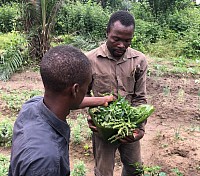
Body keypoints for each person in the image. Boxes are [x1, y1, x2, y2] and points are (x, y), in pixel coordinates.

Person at [8, 45, 113, 176]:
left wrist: (103, 100)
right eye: (86, 88)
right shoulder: (47, 161)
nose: (86, 92)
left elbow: (69, 100)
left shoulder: (32, 105)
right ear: (75, 90)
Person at [86, 10, 148, 176]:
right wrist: (93, 116)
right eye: (116, 39)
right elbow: (83, 96)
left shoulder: (139, 60)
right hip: (103, 129)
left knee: (135, 169)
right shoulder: (90, 60)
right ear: (107, 33)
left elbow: (140, 98)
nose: (122, 45)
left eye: (127, 40)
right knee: (104, 172)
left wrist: (140, 129)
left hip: (129, 126)